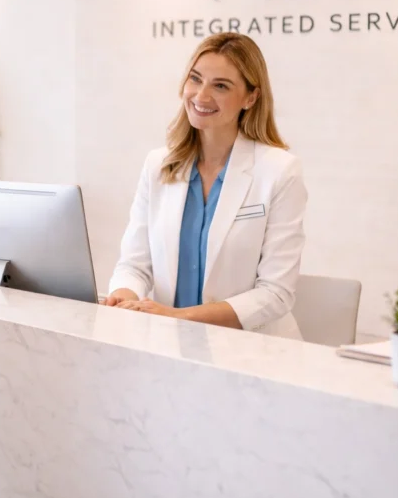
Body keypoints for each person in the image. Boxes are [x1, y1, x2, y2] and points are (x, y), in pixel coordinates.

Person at [105, 32, 307, 338]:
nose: (201, 96)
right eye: (195, 79)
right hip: (169, 346)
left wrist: (177, 317)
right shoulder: (158, 165)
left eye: (221, 86)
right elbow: (134, 265)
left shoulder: (280, 171)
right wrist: (124, 298)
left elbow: (275, 294)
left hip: (253, 352)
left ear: (250, 98)